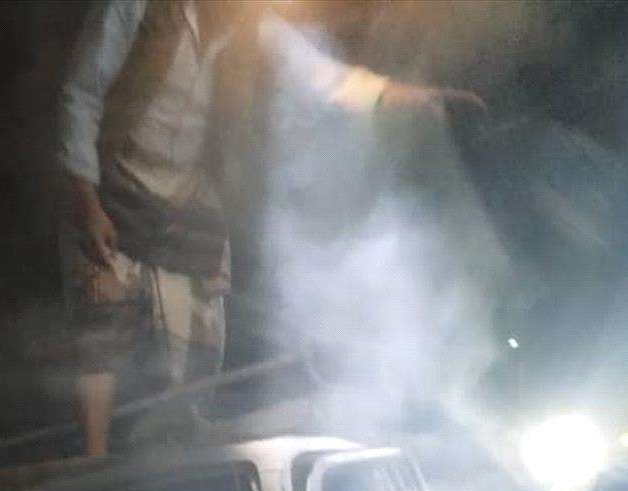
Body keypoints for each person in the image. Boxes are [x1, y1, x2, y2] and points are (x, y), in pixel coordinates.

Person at [59, 0, 485, 457]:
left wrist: (415, 96)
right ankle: (93, 464)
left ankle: (168, 459)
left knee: (193, 359)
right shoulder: (135, 6)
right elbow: (82, 93)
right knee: (102, 330)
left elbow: (326, 79)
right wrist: (87, 200)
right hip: (112, 187)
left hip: (188, 198)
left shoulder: (251, 27)